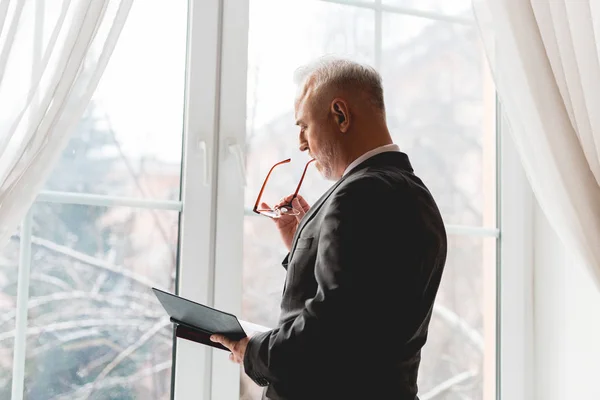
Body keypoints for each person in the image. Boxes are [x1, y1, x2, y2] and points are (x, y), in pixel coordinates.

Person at [211, 57, 447, 400]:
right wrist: (301, 244)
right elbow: (367, 313)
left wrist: (253, 352)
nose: (301, 144)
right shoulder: (415, 194)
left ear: (340, 115)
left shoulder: (360, 193)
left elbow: (330, 331)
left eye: (303, 126)